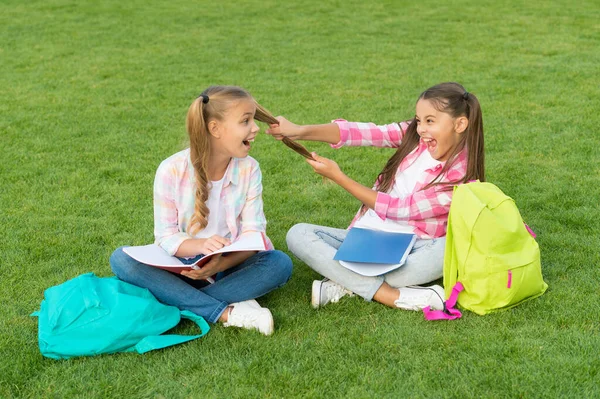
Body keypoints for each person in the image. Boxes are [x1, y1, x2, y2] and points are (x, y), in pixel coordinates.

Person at [267, 82, 484, 312]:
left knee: (446, 251)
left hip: (413, 249)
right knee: (297, 234)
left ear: (460, 124)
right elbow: (362, 132)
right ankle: (389, 294)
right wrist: (298, 131)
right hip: (365, 238)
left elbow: (400, 209)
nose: (420, 128)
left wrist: (339, 177)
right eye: (419, 120)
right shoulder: (416, 136)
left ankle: (343, 283)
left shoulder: (460, 176)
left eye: (430, 121)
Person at [110, 86, 292, 335]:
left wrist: (218, 265)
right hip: (183, 266)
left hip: (229, 265)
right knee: (122, 260)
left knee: (279, 264)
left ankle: (179, 301)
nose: (256, 127)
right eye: (245, 121)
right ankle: (225, 311)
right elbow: (166, 237)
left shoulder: (250, 168)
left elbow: (254, 234)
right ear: (215, 128)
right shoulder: (171, 169)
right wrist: (200, 246)